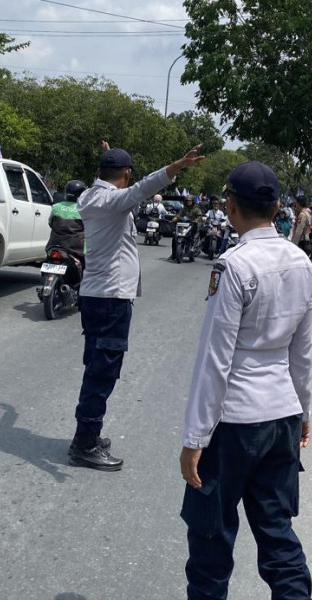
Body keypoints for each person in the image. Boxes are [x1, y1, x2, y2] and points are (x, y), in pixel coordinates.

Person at [180, 160, 312, 600]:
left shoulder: (233, 266)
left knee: (211, 540)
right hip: (282, 417)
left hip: (235, 422)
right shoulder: (301, 262)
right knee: (277, 534)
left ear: (231, 205)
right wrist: (305, 411)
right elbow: (303, 350)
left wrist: (195, 437)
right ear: (276, 208)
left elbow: (216, 359)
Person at [69, 142, 205, 471]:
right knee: (102, 374)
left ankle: (89, 432)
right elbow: (146, 186)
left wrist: (107, 151)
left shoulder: (88, 195)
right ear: (126, 175)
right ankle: (85, 443)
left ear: (99, 172)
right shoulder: (113, 200)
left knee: (95, 368)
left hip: (95, 295)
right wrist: (178, 165)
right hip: (111, 298)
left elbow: (118, 179)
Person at [46, 180, 87, 261]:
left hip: (53, 245)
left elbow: (50, 223)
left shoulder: (56, 207)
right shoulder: (83, 210)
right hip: (76, 249)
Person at [169, 195, 204, 261]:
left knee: (193, 238)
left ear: (193, 201)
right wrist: (175, 218)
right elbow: (179, 215)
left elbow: (199, 216)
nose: (188, 202)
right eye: (187, 201)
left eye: (190, 201)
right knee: (175, 238)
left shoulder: (196, 209)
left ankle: (193, 249)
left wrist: (196, 220)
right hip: (183, 226)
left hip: (193, 226)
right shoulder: (184, 209)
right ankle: (173, 254)